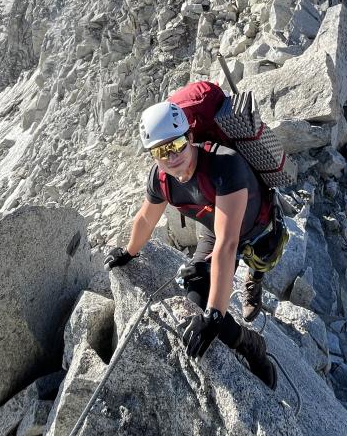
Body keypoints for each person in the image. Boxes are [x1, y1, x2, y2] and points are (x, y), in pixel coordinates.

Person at [104, 101, 277, 389]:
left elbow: (228, 244)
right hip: (214, 226)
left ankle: (254, 283)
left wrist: (216, 313)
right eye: (161, 151)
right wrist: (128, 252)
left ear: (191, 138)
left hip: (257, 229)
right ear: (152, 155)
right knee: (196, 299)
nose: (172, 157)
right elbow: (146, 219)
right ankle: (251, 343)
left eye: (178, 144)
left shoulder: (224, 164)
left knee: (256, 268)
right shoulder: (161, 179)